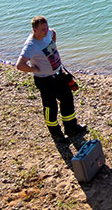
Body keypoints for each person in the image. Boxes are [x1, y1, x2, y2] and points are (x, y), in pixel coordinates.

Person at [15, 15, 87, 143]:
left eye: (46, 27)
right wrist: (34, 70)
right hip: (44, 80)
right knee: (50, 107)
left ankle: (71, 128)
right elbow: (20, 65)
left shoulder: (48, 33)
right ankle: (56, 134)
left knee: (67, 99)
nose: (45, 30)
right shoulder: (31, 46)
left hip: (58, 75)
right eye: (42, 29)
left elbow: (53, 32)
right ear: (34, 30)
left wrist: (54, 44)